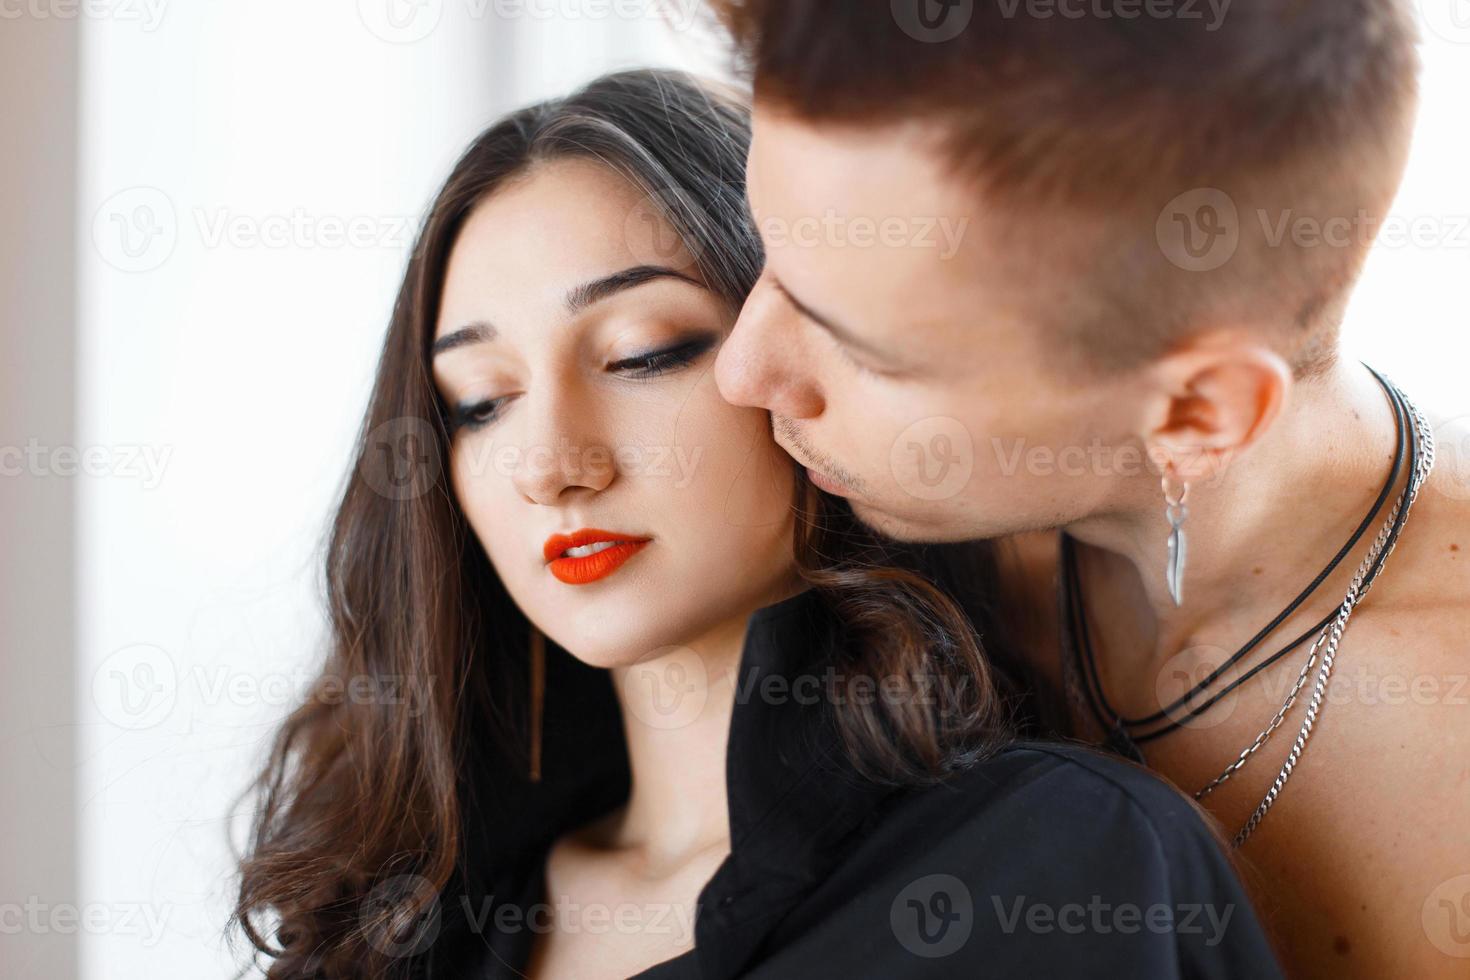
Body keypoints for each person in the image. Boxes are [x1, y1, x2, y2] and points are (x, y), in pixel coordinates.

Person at [230, 69, 1281, 979]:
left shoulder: (1068, 860)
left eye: (644, 352)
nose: (552, 466)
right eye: (478, 401)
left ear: (793, 358)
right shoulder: (407, 915)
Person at [708, 2, 1470, 976]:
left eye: (863, 352)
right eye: (764, 244)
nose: (742, 371)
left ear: (1198, 411)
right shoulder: (838, 531)